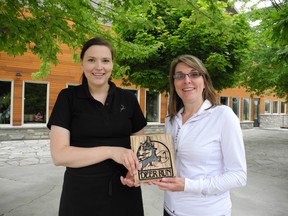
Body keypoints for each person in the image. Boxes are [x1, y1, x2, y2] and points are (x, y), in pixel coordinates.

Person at [47, 37, 147, 216]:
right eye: (91, 60)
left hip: (125, 194)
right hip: (81, 196)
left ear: (112, 64)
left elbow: (141, 150)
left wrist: (136, 173)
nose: (99, 67)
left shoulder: (129, 100)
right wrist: (111, 151)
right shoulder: (68, 98)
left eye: (105, 61)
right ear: (82, 63)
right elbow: (59, 155)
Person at [152, 55, 247, 216]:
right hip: (170, 209)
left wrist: (187, 185)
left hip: (206, 211)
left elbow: (238, 176)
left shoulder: (223, 116)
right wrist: (150, 174)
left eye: (194, 74)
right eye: (179, 76)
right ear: (174, 83)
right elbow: (169, 164)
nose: (186, 80)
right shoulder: (171, 119)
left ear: (204, 81)